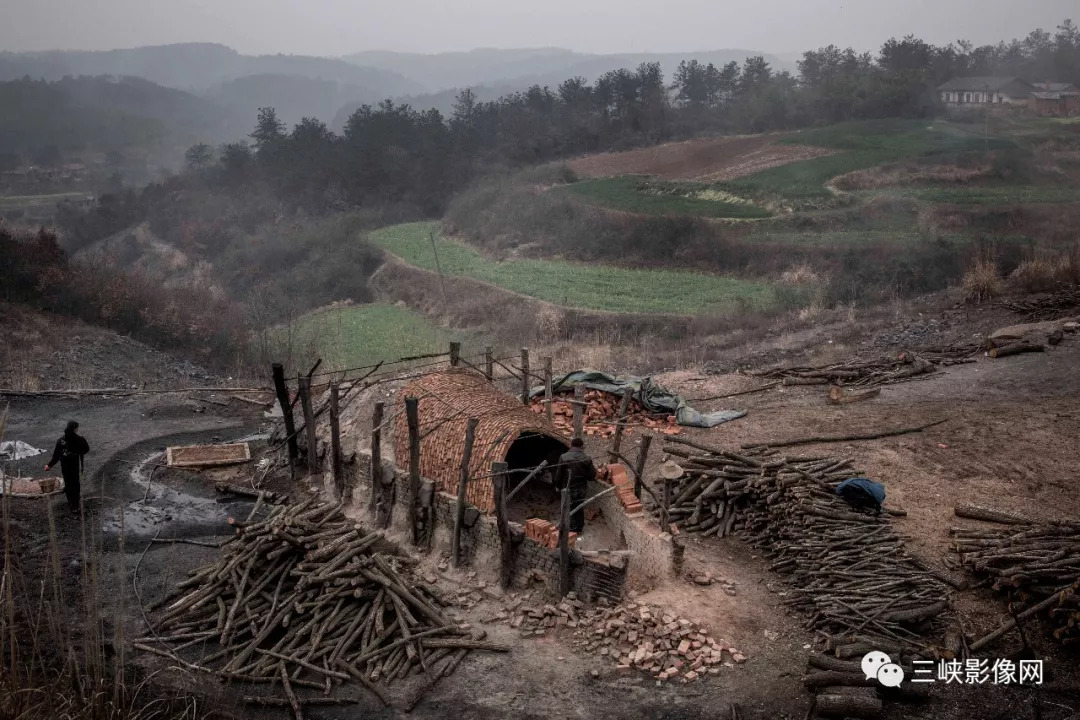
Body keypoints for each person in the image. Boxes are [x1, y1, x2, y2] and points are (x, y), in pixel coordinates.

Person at [44, 420, 90, 514]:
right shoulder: (80, 439)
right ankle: (75, 506)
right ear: (75, 429)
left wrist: (49, 465)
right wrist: (77, 452)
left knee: (68, 484)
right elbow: (86, 449)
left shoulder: (61, 441)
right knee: (75, 485)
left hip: (65, 466)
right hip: (75, 466)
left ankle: (71, 504)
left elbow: (56, 456)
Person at [556, 438, 595, 535]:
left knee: (567, 507)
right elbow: (591, 476)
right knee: (579, 506)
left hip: (567, 488)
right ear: (582, 446)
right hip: (581, 488)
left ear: (571, 445)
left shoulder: (563, 457)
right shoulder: (587, 458)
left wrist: (557, 486)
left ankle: (571, 529)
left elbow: (559, 475)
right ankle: (579, 528)